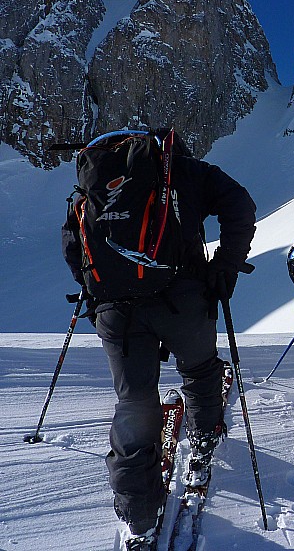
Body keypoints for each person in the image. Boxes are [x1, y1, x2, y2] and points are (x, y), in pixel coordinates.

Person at [62, 130, 256, 548]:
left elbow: (72, 243)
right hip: (183, 299)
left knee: (134, 401)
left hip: (116, 310)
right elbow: (240, 204)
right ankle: (203, 438)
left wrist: (95, 292)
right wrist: (225, 265)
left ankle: (139, 513)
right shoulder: (183, 170)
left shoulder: (94, 181)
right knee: (200, 370)